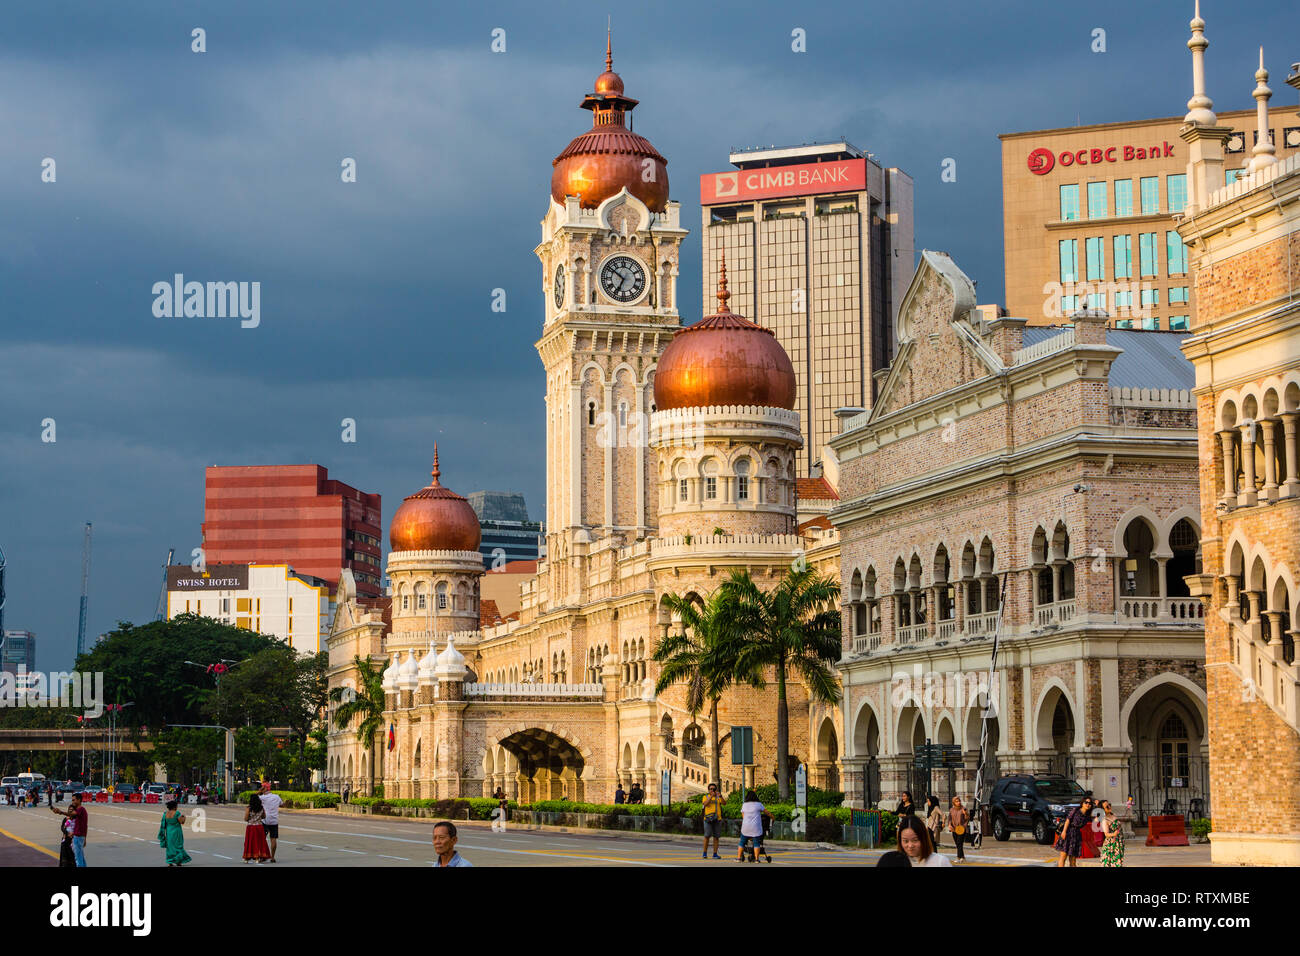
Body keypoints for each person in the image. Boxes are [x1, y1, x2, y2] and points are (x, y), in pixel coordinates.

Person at [1055, 795, 1094, 868]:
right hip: (1068, 833)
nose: (1088, 804)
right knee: (1063, 856)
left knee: (1073, 860)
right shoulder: (1076, 810)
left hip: (1077, 836)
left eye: (1090, 803)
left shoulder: (1087, 816)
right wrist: (1064, 831)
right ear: (1082, 803)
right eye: (1086, 802)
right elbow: (1068, 820)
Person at [51, 792, 88, 867]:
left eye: (74, 800)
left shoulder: (80, 809)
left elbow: (71, 814)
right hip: (80, 837)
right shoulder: (80, 811)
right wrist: (85, 838)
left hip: (77, 837)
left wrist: (60, 812)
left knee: (78, 859)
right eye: (72, 800)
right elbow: (85, 825)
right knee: (81, 858)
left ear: (79, 800)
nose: (73, 802)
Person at [736, 789, 773, 863]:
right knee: (756, 843)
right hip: (755, 827)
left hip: (746, 827)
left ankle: (739, 858)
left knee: (742, 842)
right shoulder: (758, 804)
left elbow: (743, 815)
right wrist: (772, 817)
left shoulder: (744, 805)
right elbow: (767, 812)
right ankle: (756, 859)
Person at [157, 800, 192, 866]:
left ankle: (170, 862)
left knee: (170, 847)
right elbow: (182, 822)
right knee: (178, 846)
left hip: (169, 832)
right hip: (176, 832)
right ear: (174, 807)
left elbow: (164, 824)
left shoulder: (165, 813)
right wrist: (184, 817)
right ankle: (178, 862)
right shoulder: (177, 813)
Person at [242, 794, 271, 863]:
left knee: (250, 842)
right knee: (259, 842)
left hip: (251, 827)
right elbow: (264, 816)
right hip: (259, 827)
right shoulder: (261, 808)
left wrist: (251, 818)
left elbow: (246, 818)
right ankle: (258, 858)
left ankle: (247, 858)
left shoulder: (249, 808)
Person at [258, 782, 283, 863]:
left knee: (262, 839)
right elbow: (282, 804)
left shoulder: (262, 797)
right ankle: (272, 857)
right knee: (273, 839)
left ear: (264, 789)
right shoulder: (277, 797)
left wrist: (259, 791)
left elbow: (252, 798)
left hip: (264, 820)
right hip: (274, 820)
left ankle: (262, 856)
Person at [701, 783, 724, 859]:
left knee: (716, 837)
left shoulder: (718, 797)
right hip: (708, 819)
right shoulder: (705, 796)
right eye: (711, 789)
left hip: (717, 819)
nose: (712, 790)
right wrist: (711, 796)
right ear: (708, 790)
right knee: (707, 836)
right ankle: (704, 853)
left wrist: (720, 796)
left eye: (714, 789)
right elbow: (705, 804)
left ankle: (715, 853)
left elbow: (724, 803)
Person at [1099, 799, 1125, 868]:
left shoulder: (1113, 815)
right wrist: (1114, 834)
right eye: (1107, 807)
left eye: (1109, 805)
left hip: (1118, 842)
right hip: (1111, 845)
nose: (1109, 807)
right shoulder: (1105, 820)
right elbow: (1106, 834)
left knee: (1118, 862)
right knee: (1112, 863)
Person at [948, 796, 971, 862]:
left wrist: (965, 813)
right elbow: (949, 818)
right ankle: (962, 857)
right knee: (958, 844)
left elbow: (967, 818)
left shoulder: (963, 809)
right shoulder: (951, 810)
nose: (958, 802)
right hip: (954, 829)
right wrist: (949, 825)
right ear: (954, 803)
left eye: (959, 801)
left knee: (959, 842)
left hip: (961, 828)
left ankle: (958, 857)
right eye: (957, 801)